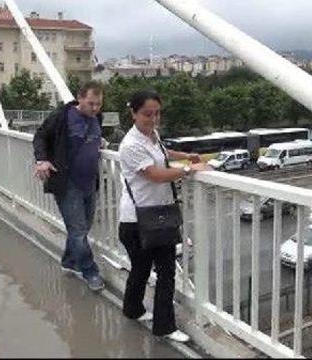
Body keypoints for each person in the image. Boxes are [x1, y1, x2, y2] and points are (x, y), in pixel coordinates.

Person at [118, 90, 210, 343]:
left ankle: (133, 309)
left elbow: (162, 152)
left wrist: (184, 157)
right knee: (166, 272)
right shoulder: (131, 144)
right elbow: (156, 175)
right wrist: (190, 169)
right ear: (133, 113)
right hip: (144, 221)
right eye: (148, 113)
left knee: (141, 269)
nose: (153, 118)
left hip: (141, 219)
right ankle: (164, 326)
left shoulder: (150, 136)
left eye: (157, 113)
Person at [33, 81, 106, 291]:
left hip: (89, 182)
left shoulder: (96, 118)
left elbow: (92, 138)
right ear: (79, 97)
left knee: (82, 228)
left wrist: (100, 143)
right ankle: (90, 272)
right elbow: (40, 137)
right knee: (78, 231)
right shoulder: (62, 116)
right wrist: (42, 160)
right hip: (67, 183)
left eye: (98, 105)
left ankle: (69, 261)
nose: (95, 109)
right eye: (91, 103)